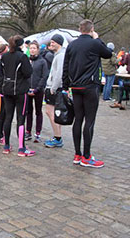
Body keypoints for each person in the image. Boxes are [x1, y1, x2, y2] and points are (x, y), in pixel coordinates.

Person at [63, 19, 112, 168]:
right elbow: (108, 54)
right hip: (90, 86)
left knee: (78, 119)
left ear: (79, 29)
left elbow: (66, 67)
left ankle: (77, 154)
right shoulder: (95, 43)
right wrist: (97, 38)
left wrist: (65, 86)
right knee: (89, 120)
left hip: (76, 86)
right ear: (92, 29)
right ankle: (86, 156)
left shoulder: (71, 45)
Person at [1, 35, 35, 157]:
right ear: (21, 45)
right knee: (21, 119)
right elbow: (28, 72)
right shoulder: (22, 57)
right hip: (20, 91)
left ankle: (6, 145)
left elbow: (1, 71)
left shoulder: (4, 56)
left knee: (8, 117)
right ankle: (21, 148)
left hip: (7, 90)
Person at [43, 35, 65, 148]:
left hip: (54, 88)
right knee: (53, 113)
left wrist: (53, 88)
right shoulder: (57, 55)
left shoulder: (60, 56)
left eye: (53, 42)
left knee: (50, 112)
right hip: (53, 87)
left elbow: (59, 74)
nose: (51, 44)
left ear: (58, 43)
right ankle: (57, 136)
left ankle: (57, 137)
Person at [25, 41, 48, 142]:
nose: (32, 50)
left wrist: (37, 88)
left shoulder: (42, 61)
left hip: (38, 90)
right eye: (31, 48)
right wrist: (26, 88)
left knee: (38, 111)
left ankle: (38, 132)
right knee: (28, 112)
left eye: (34, 48)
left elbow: (44, 76)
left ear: (38, 49)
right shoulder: (26, 61)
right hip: (27, 90)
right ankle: (28, 131)